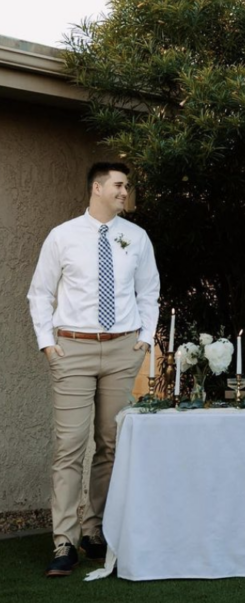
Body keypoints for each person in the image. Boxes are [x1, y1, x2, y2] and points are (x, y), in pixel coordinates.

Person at [28, 162, 160, 577]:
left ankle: (95, 531)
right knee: (69, 447)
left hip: (122, 351)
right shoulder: (62, 236)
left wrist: (144, 339)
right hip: (73, 349)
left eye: (127, 186)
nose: (126, 192)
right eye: (119, 185)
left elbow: (149, 291)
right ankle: (64, 541)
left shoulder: (136, 238)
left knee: (110, 444)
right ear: (98, 187)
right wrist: (48, 345)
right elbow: (40, 293)